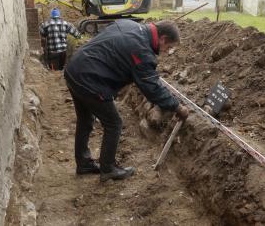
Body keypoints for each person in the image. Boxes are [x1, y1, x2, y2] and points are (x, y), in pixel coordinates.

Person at [64, 19, 189, 182]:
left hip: (75, 69)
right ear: (163, 38)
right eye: (169, 47)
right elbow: (151, 88)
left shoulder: (128, 24)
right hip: (91, 80)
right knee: (114, 123)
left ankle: (84, 163)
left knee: (85, 118)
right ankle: (108, 168)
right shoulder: (142, 50)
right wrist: (177, 107)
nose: (167, 51)